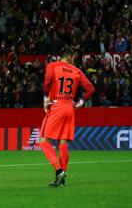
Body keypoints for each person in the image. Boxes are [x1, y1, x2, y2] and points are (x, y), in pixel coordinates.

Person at [39, 47, 95, 187]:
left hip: (56, 106)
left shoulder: (53, 66)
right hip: (70, 107)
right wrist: (81, 102)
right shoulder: (77, 71)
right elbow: (90, 89)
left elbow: (47, 81)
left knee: (43, 141)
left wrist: (46, 99)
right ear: (70, 57)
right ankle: (62, 178)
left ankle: (58, 171)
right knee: (63, 143)